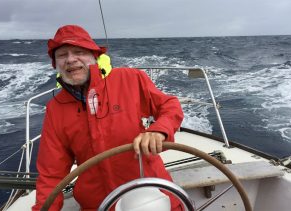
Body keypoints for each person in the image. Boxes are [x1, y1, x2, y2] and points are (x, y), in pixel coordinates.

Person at [32, 25, 184, 211]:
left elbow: (169, 106)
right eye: (62, 55)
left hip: (152, 195)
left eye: (79, 51)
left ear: (94, 57)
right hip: (97, 204)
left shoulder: (131, 79)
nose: (71, 59)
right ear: (55, 64)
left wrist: (158, 130)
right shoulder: (55, 109)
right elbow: (51, 174)